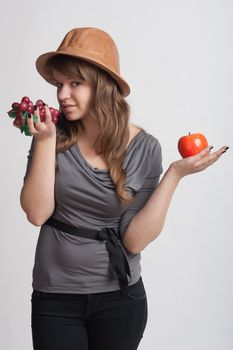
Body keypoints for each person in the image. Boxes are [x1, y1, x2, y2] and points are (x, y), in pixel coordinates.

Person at [20, 27, 228, 350]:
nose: (62, 94)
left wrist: (173, 175)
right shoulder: (51, 133)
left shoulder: (145, 149)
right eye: (59, 84)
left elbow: (133, 239)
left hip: (120, 299)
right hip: (55, 297)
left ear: (102, 86)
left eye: (75, 83)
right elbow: (37, 212)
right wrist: (44, 140)